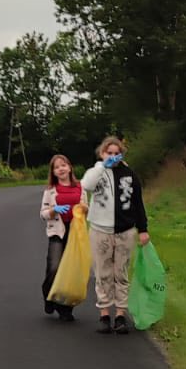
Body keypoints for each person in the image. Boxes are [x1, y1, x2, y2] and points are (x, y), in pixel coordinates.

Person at [80, 135, 150, 334]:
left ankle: (120, 314)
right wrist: (103, 166)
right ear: (102, 153)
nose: (112, 156)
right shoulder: (96, 172)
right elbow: (86, 185)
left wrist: (143, 229)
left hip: (125, 231)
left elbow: (138, 203)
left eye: (116, 153)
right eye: (108, 153)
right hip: (100, 230)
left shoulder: (129, 175)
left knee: (121, 273)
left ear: (121, 154)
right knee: (103, 273)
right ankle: (104, 314)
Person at [39, 153, 83, 322]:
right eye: (56, 167)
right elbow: (43, 214)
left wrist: (83, 209)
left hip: (76, 234)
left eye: (63, 165)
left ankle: (65, 309)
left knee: (70, 272)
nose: (61, 169)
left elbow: (86, 207)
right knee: (54, 268)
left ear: (70, 167)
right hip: (57, 233)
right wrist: (54, 210)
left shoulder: (80, 187)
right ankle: (48, 295)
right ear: (53, 172)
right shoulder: (50, 191)